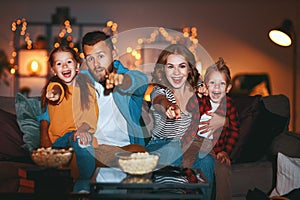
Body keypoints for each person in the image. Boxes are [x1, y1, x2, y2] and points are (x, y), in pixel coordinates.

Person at [145, 44, 215, 195]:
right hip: (159, 148)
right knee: (173, 148)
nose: (176, 72)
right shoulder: (161, 90)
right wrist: (168, 106)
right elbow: (159, 100)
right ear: (163, 70)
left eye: (182, 66)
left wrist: (203, 86)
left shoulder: (194, 91)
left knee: (207, 160)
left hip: (185, 148)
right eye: (170, 67)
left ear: (189, 69)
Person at [80, 31, 148, 167]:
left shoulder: (126, 77)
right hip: (93, 150)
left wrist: (123, 81)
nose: (96, 64)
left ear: (114, 54)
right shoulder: (82, 81)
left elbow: (141, 82)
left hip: (126, 149)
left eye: (101, 56)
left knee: (139, 154)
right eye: (90, 58)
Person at [39, 45, 99, 193]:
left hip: (77, 134)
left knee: (83, 142)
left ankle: (83, 186)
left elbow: (90, 116)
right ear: (53, 70)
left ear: (77, 65)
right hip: (58, 140)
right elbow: (56, 90)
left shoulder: (88, 89)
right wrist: (54, 93)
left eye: (69, 62)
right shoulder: (55, 85)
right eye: (59, 63)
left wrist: (83, 130)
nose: (64, 66)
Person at [181, 57, 240, 200]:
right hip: (194, 141)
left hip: (216, 148)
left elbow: (234, 130)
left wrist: (226, 151)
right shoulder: (201, 100)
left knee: (224, 169)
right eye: (212, 83)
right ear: (206, 85)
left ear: (228, 88)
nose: (217, 87)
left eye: (221, 84)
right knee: (187, 163)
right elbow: (190, 108)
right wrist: (198, 93)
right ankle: (192, 189)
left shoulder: (230, 106)